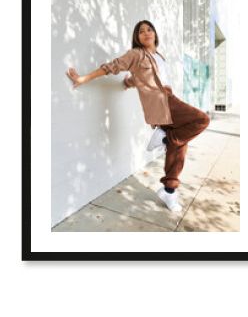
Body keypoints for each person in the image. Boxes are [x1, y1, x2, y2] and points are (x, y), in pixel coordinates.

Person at [66, 20, 210, 212]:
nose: (146, 33)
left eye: (149, 29)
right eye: (141, 31)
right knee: (202, 119)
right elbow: (112, 67)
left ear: (155, 34)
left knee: (179, 148)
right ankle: (167, 139)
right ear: (137, 37)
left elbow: (143, 78)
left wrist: (129, 83)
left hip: (168, 98)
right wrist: (83, 78)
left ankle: (169, 190)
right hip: (162, 102)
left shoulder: (158, 56)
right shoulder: (136, 54)